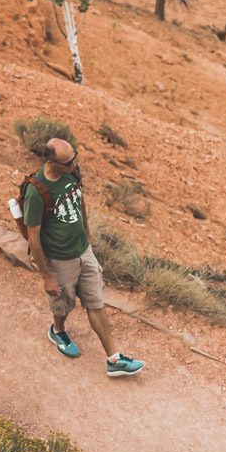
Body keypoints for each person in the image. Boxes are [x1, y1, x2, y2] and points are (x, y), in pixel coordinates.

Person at [23, 138, 144, 377]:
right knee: (63, 303)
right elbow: (33, 237)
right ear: (51, 162)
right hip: (59, 259)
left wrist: (87, 235)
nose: (74, 165)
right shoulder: (36, 192)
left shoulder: (71, 173)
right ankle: (57, 331)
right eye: (68, 163)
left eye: (74, 159)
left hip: (82, 250)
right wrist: (46, 275)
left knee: (95, 302)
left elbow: (80, 204)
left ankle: (114, 359)